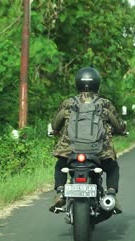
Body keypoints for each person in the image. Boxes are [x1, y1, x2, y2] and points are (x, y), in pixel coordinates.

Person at [49, 67, 127, 214]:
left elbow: (55, 124)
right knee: (112, 168)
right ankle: (111, 195)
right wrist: (122, 130)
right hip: (99, 151)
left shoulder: (69, 103)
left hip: (70, 150)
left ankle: (60, 192)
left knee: (60, 165)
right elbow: (117, 124)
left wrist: (55, 131)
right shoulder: (104, 103)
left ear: (77, 83)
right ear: (97, 84)